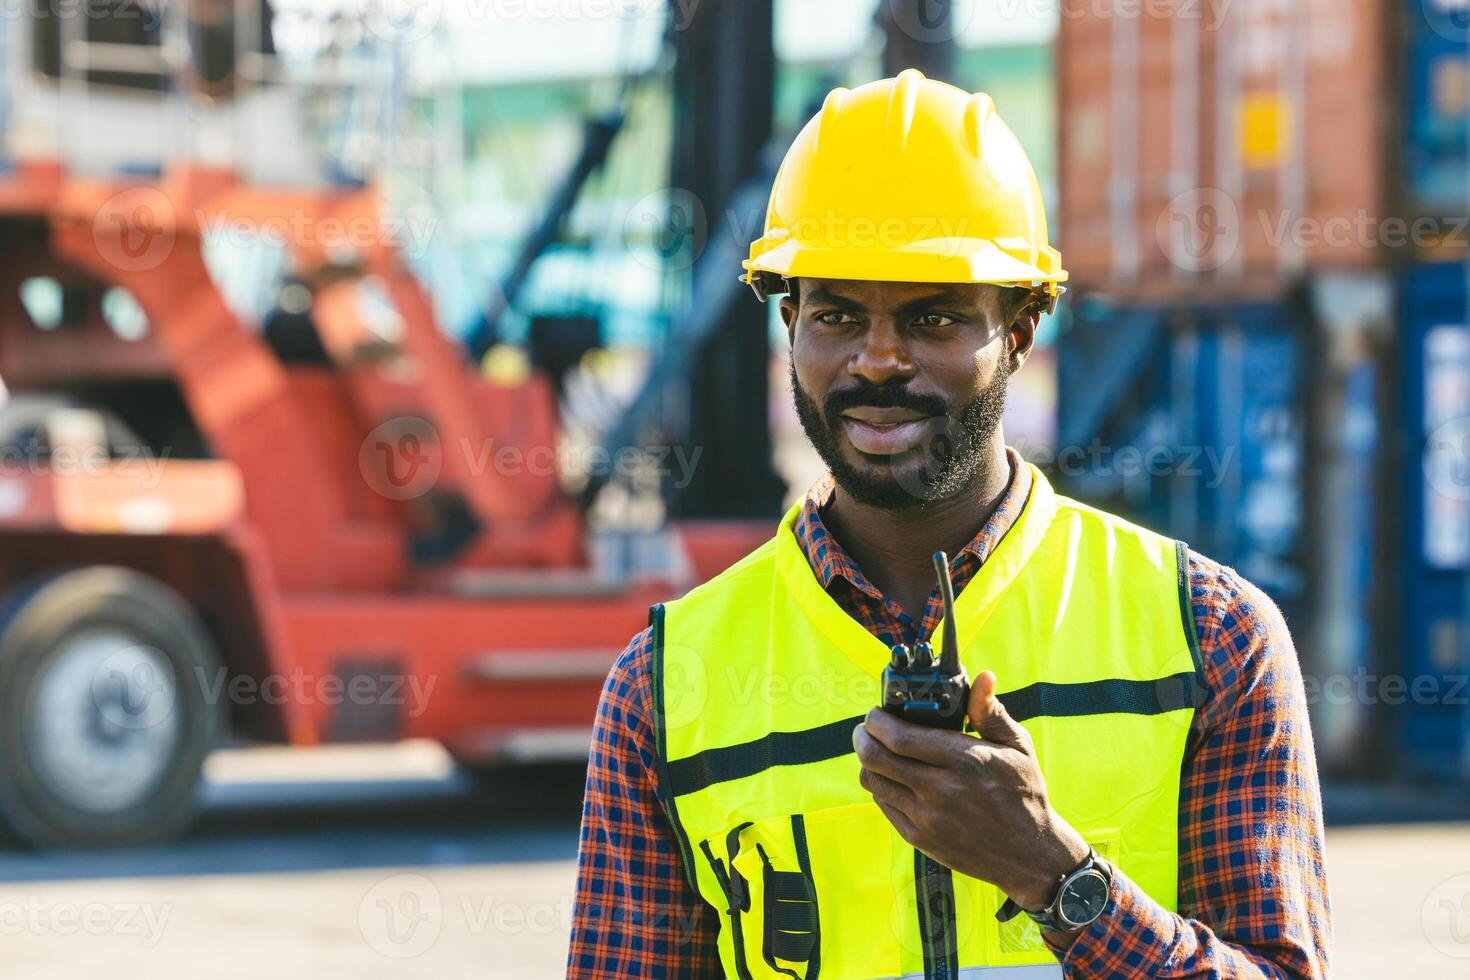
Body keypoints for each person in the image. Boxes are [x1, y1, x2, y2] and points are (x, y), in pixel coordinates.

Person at [567, 70, 1330, 979]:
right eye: (837, 315)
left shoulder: (1207, 636)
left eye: (932, 318)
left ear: (1022, 328)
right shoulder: (665, 689)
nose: (878, 360)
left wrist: (1056, 876)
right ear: (791, 328)